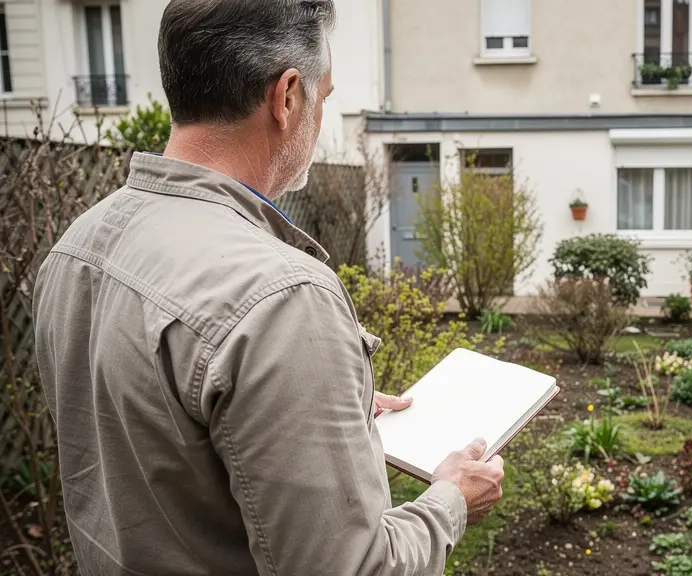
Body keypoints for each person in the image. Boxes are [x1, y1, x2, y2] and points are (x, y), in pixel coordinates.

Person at [31, 0, 504, 574]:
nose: (321, 114)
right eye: (323, 96)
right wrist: (450, 499)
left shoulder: (77, 246)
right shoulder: (282, 296)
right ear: (286, 97)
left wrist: (314, 403)